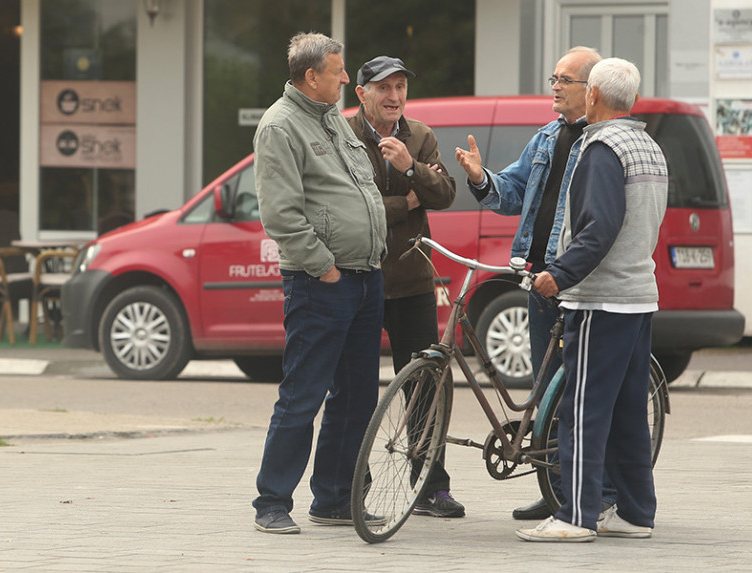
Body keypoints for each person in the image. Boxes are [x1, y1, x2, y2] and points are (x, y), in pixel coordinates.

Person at [454, 46, 612, 521]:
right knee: (546, 392)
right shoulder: (545, 138)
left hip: (578, 284)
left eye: (566, 79)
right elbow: (513, 193)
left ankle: (595, 493)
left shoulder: (603, 144)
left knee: (580, 393)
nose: (556, 87)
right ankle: (555, 487)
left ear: (593, 91)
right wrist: (482, 178)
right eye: (553, 77)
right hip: (536, 280)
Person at [515, 57, 668, 542]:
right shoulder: (647, 144)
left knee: (581, 409)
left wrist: (557, 275)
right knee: (627, 411)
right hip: (638, 296)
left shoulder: (601, 147)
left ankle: (575, 515)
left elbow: (598, 228)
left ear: (595, 96)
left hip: (601, 299)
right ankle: (636, 513)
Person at [251, 32, 388, 534]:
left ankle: (333, 498)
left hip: (364, 277)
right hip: (320, 282)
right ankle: (271, 502)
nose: (347, 79)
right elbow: (282, 214)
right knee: (303, 394)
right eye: (338, 71)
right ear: (312, 77)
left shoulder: (331, 116)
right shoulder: (280, 126)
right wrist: (324, 267)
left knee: (356, 396)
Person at [347, 56, 464, 518]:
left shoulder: (420, 136)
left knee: (426, 384)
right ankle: (354, 481)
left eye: (400, 87)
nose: (394, 96)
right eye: (384, 88)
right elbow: (358, 206)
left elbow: (446, 193)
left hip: (413, 278)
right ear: (361, 94)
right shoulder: (345, 137)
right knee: (355, 386)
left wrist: (412, 166)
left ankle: (431, 486)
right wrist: (406, 201)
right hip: (361, 276)